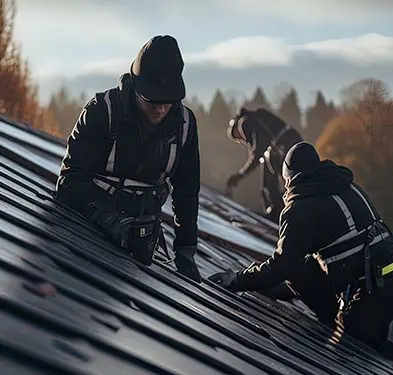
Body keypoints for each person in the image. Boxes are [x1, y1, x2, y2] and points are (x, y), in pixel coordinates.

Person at [210, 142, 393, 357]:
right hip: (382, 277)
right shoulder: (346, 185)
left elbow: (283, 266)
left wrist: (238, 280)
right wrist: (278, 288)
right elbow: (307, 264)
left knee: (360, 350)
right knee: (303, 267)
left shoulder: (301, 208)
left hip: (371, 291)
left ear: (288, 177)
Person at [55, 35, 201, 283]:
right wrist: (112, 221)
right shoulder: (102, 111)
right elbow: (69, 182)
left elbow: (187, 192)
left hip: (140, 242)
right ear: (136, 87)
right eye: (152, 98)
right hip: (81, 230)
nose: (160, 108)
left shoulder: (185, 126)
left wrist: (185, 249)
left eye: (168, 100)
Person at [225, 107, 303, 223]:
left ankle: (277, 211)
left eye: (238, 137)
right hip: (292, 143)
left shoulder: (246, 122)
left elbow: (258, 152)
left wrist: (240, 175)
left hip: (285, 146)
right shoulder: (256, 118)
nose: (242, 141)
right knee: (279, 181)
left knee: (271, 181)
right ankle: (279, 209)